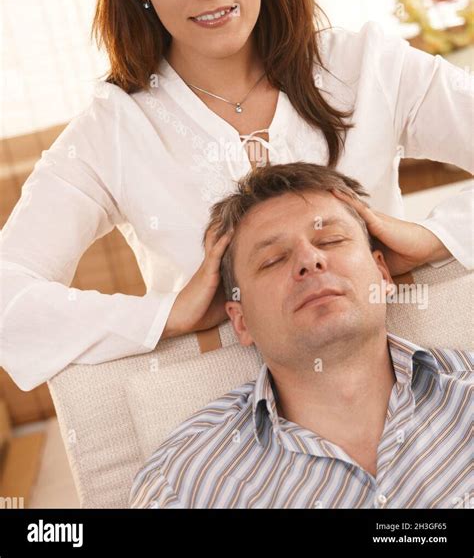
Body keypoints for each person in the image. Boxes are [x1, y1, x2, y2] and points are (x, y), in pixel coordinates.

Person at [1, 0, 472, 392]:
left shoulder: (367, 65)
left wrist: (434, 235)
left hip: (396, 382)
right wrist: (166, 315)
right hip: (228, 416)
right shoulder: (111, 132)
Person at [129, 162, 472, 509]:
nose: (309, 260)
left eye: (331, 240)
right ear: (241, 320)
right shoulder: (183, 482)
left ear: (383, 274)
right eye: (273, 259)